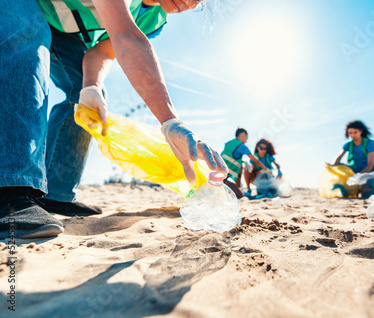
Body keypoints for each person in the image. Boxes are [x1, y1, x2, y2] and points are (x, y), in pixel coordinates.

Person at [0, 0, 226, 239]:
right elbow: (126, 36)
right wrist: (170, 121)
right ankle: (10, 189)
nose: (191, 2)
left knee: (86, 95)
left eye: (200, 1)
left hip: (57, 25)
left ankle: (56, 193)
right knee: (26, 35)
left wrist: (92, 86)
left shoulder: (154, 20)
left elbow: (101, 53)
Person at [332, 120, 374, 198]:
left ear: (361, 131)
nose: (353, 135)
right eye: (350, 133)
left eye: (355, 132)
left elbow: (370, 165)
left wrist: (357, 176)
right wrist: (334, 165)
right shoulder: (348, 145)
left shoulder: (370, 143)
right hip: (355, 169)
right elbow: (338, 157)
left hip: (369, 172)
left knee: (368, 195)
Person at [221, 128, 270, 198]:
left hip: (220, 173)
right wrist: (266, 169)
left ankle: (237, 188)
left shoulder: (229, 143)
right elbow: (255, 160)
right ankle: (235, 190)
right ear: (242, 135)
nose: (246, 141)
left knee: (242, 165)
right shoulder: (241, 146)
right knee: (240, 194)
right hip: (223, 180)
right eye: (246, 138)